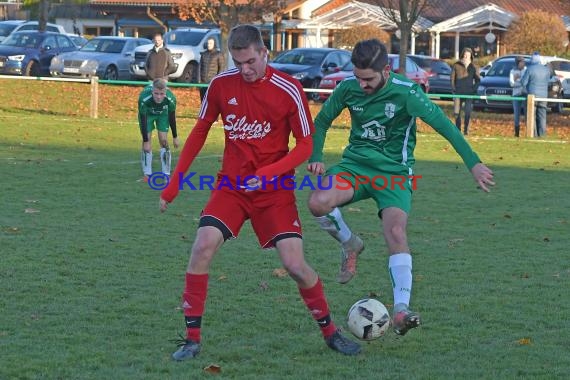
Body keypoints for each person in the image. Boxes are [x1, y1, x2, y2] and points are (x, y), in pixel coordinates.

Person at [159, 24, 361, 361]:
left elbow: (306, 145)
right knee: (202, 246)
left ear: (264, 52)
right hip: (232, 187)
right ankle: (192, 339)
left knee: (295, 265)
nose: (245, 70)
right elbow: (198, 132)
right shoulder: (221, 84)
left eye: (251, 61)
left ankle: (331, 333)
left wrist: (269, 172)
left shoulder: (289, 88)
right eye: (238, 63)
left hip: (275, 190)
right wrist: (175, 182)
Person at [306, 39, 494, 337]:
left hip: (394, 174)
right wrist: (316, 157)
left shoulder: (408, 94)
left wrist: (473, 163)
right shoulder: (348, 88)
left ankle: (401, 310)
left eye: (368, 79)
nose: (362, 85)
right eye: (358, 77)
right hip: (355, 166)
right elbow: (322, 121)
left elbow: (445, 127)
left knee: (395, 232)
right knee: (318, 202)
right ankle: (350, 243)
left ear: (386, 70)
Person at [138, 78, 179, 179]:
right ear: (152, 90)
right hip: (148, 115)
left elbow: (172, 117)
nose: (159, 97)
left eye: (161, 94)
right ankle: (147, 173)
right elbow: (143, 119)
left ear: (165, 91)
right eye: (156, 93)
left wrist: (175, 137)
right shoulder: (144, 98)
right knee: (146, 142)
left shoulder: (171, 98)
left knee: (164, 141)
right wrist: (146, 141)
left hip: (162, 114)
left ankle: (166, 172)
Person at [451, 47, 480, 135]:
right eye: (465, 55)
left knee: (467, 113)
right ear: (462, 55)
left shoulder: (474, 67)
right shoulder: (456, 65)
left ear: (471, 56)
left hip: (469, 93)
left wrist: (473, 89)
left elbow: (478, 80)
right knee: (456, 113)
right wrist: (454, 89)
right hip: (458, 93)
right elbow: (452, 79)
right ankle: (458, 130)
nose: (466, 56)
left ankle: (466, 130)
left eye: (468, 55)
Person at [521, 52, 550, 137]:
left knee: (531, 116)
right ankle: (542, 135)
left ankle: (533, 134)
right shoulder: (546, 70)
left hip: (532, 96)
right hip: (543, 96)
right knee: (542, 116)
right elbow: (548, 81)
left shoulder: (529, 69)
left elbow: (523, 82)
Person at [199, 37, 225, 102]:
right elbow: (199, 68)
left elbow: (221, 68)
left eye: (210, 43)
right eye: (208, 43)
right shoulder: (203, 54)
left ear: (214, 44)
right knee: (203, 101)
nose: (209, 45)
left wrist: (218, 81)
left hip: (212, 82)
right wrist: (198, 81)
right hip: (203, 83)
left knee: (212, 101)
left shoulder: (219, 54)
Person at [509, 56, 526, 137]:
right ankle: (517, 133)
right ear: (518, 63)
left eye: (524, 62)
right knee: (516, 114)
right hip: (516, 95)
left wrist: (518, 81)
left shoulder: (526, 70)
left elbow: (526, 83)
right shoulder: (513, 71)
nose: (523, 63)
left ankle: (528, 132)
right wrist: (520, 83)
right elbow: (512, 84)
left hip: (525, 94)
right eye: (522, 62)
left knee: (527, 113)